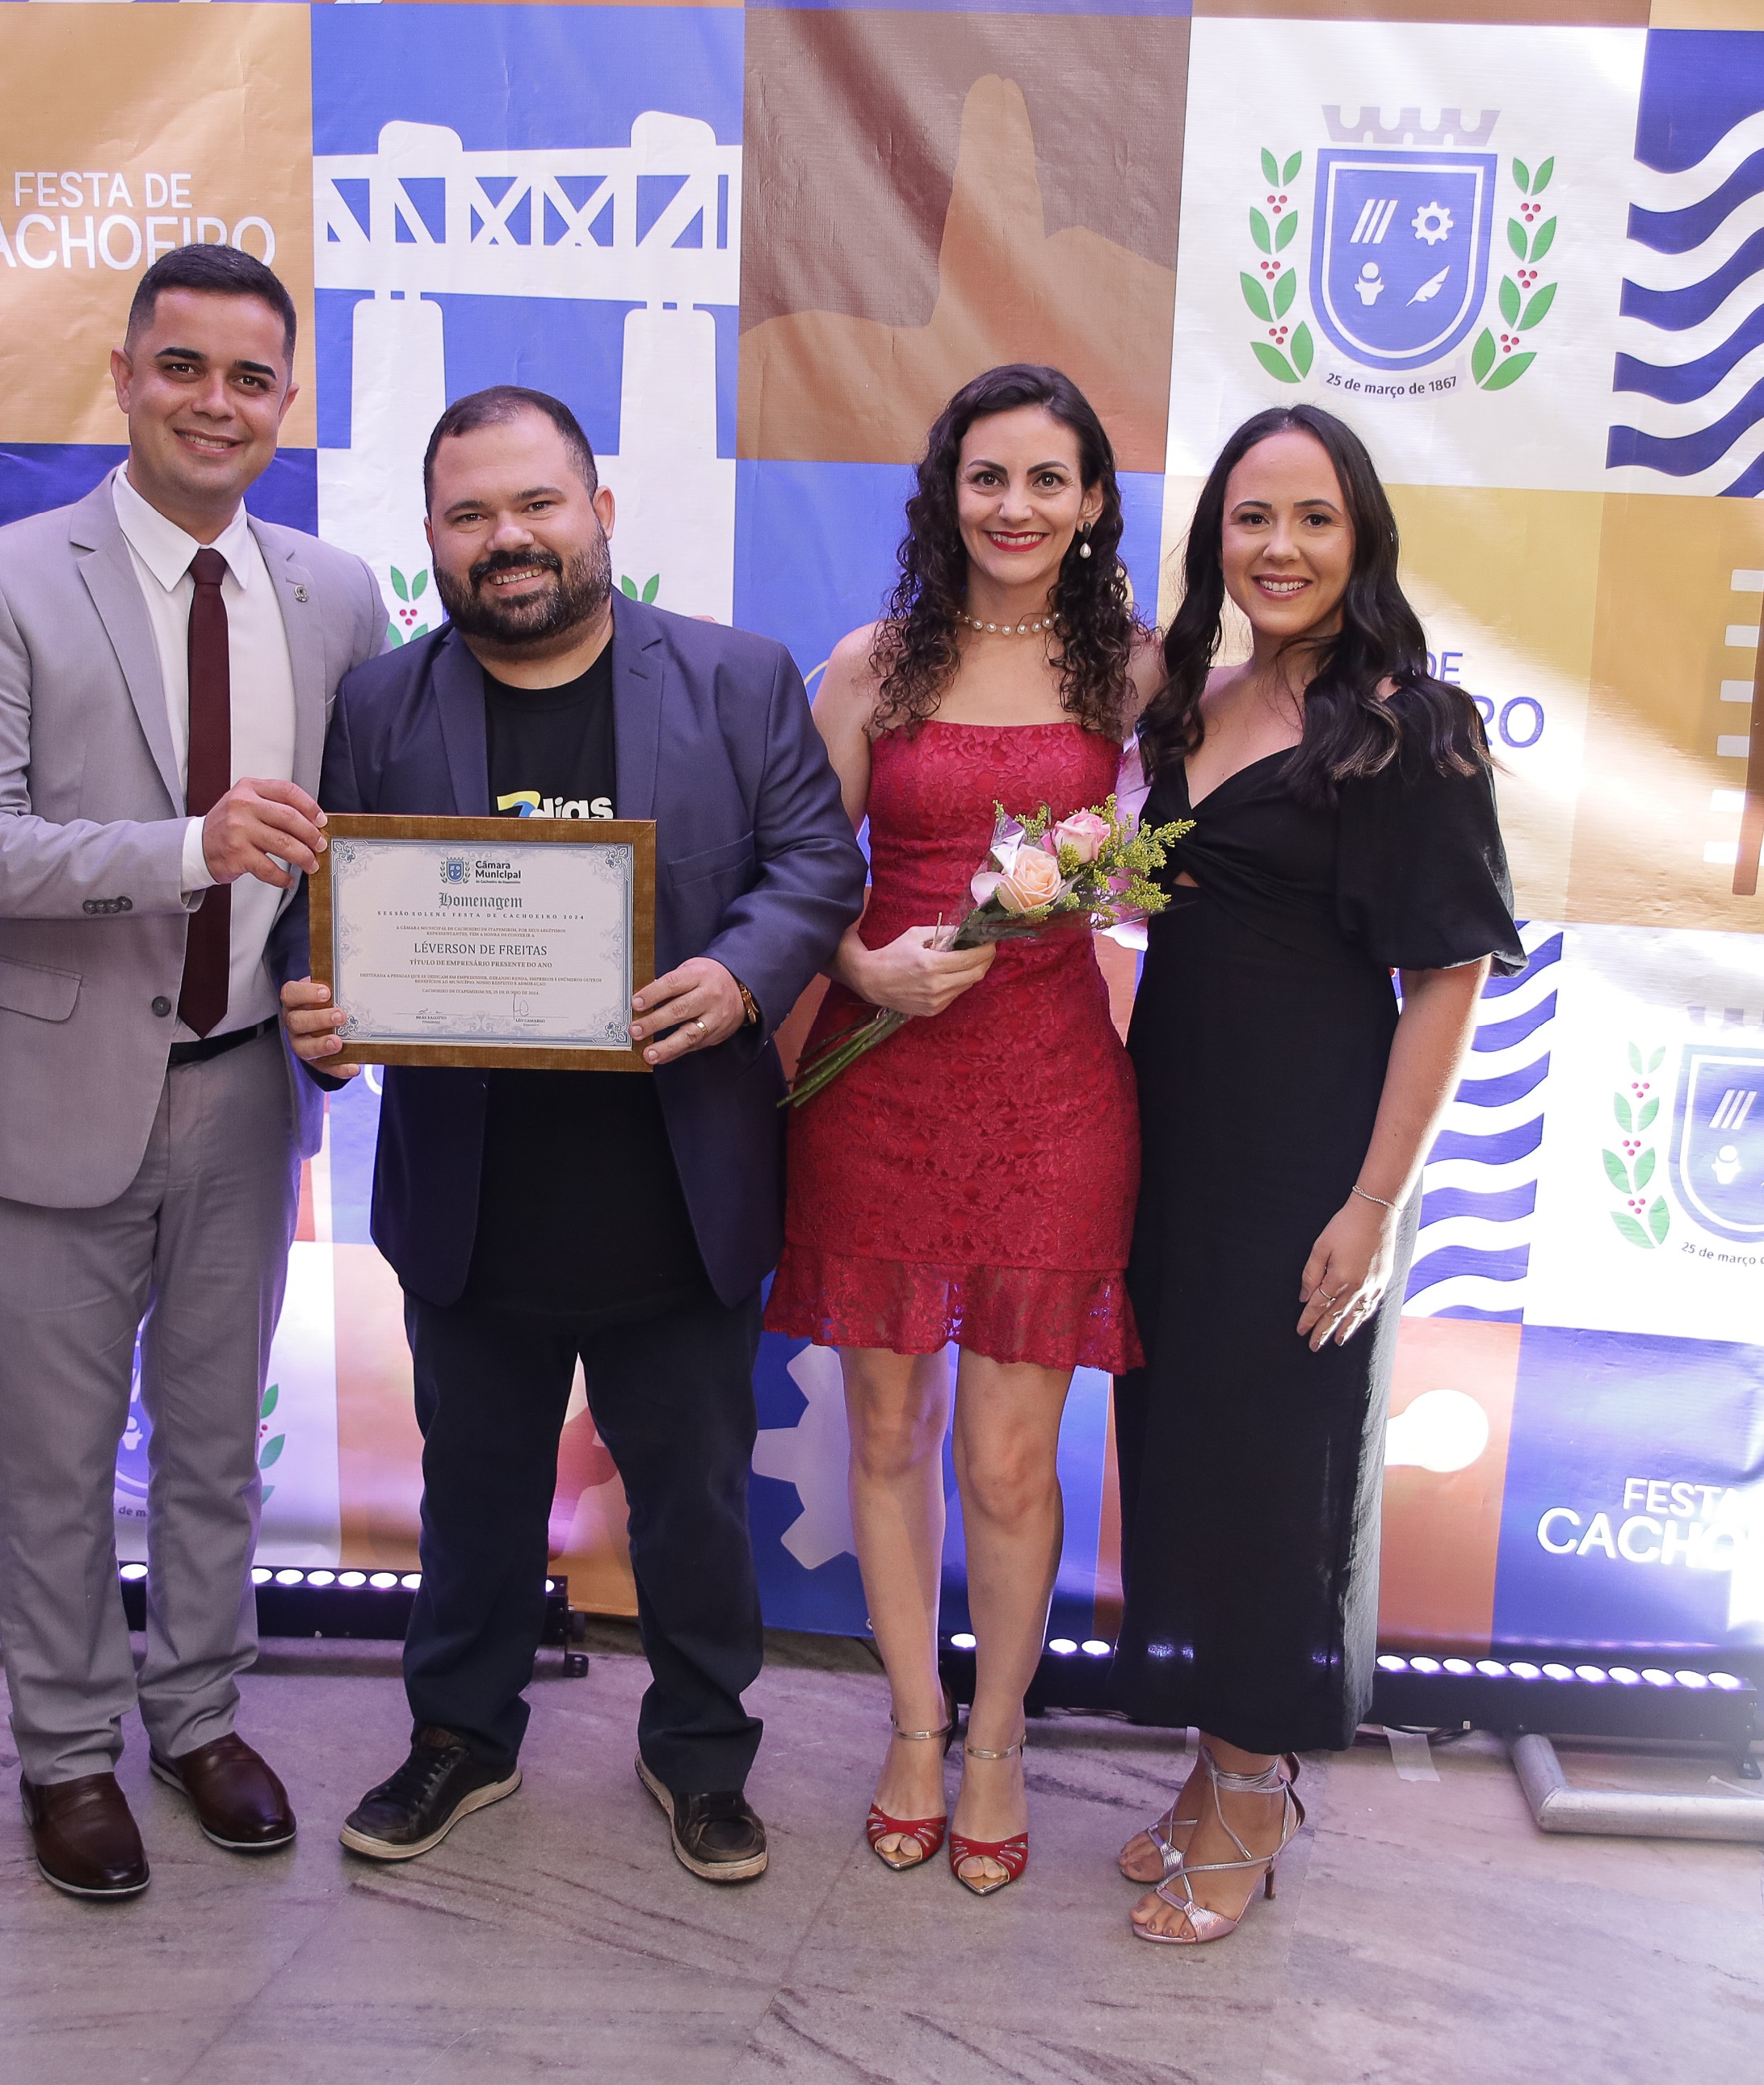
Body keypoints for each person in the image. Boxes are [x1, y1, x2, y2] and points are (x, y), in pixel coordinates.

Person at [282, 386, 861, 1884]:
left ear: (598, 511)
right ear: (431, 540)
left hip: (680, 1192)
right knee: (473, 1500)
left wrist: (741, 975)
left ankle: (703, 1755)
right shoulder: (376, 706)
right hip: (474, 1198)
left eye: (536, 503)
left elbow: (816, 863)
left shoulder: (738, 678)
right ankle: (460, 1738)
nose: (509, 537)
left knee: (696, 1509)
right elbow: (321, 909)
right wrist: (317, 1007)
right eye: (470, 514)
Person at [0, 245, 387, 1900]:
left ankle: (195, 1715)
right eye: (183, 367)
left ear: (286, 403)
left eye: (250, 378)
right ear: (122, 377)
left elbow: (361, 847)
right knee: (52, 1456)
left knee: (213, 1440)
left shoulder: (337, 594)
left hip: (247, 1088)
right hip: (48, 1090)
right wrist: (188, 846)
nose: (214, 403)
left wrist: (363, 987)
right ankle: (63, 1751)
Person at [1111, 404, 1519, 1944]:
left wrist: (1373, 1204)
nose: (1278, 547)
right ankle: (1219, 1761)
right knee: (1193, 1456)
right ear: (1215, 535)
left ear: (1364, 538)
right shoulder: (1194, 701)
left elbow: (1448, 978)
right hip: (1172, 1143)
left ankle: (1256, 1786)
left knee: (1283, 1473)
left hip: (1308, 1161)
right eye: (1251, 517)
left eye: (1314, 518)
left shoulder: (1415, 725)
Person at [762, 364, 1157, 1896]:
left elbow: (1219, 824)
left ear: (1094, 501)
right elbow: (793, 874)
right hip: (881, 1082)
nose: (1016, 506)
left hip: (1055, 1095)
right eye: (988, 476)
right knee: (883, 1429)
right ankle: (914, 1725)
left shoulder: (1137, 670)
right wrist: (860, 967)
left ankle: (997, 1738)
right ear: (947, 493)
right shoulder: (870, 667)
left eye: (1048, 479)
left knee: (1005, 1458)